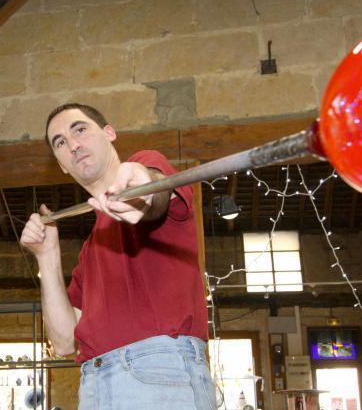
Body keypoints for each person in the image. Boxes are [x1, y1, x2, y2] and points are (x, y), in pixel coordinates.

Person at [20, 103, 216, 410]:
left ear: (109, 133)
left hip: (156, 374)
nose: (72, 144)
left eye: (80, 129)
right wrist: (47, 255)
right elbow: (63, 342)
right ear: (60, 164)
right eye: (60, 142)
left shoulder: (146, 163)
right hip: (95, 384)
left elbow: (154, 188)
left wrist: (145, 188)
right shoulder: (91, 250)